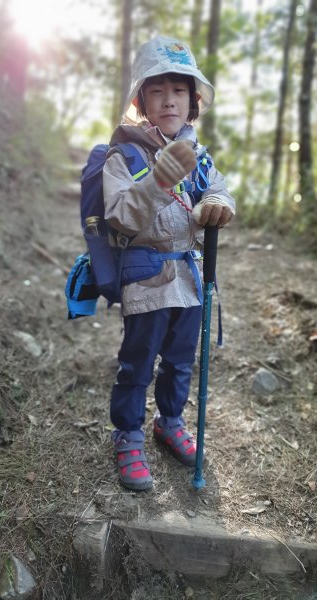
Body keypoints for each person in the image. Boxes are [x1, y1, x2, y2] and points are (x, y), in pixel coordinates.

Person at [103, 36, 235, 491]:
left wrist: (217, 203)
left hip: (191, 277)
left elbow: (218, 187)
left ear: (192, 101)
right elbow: (119, 214)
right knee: (137, 363)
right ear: (141, 100)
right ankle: (129, 433)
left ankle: (170, 421)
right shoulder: (124, 153)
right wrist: (159, 179)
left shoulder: (199, 154)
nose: (169, 100)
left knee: (180, 362)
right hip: (146, 279)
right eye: (157, 91)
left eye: (179, 90)